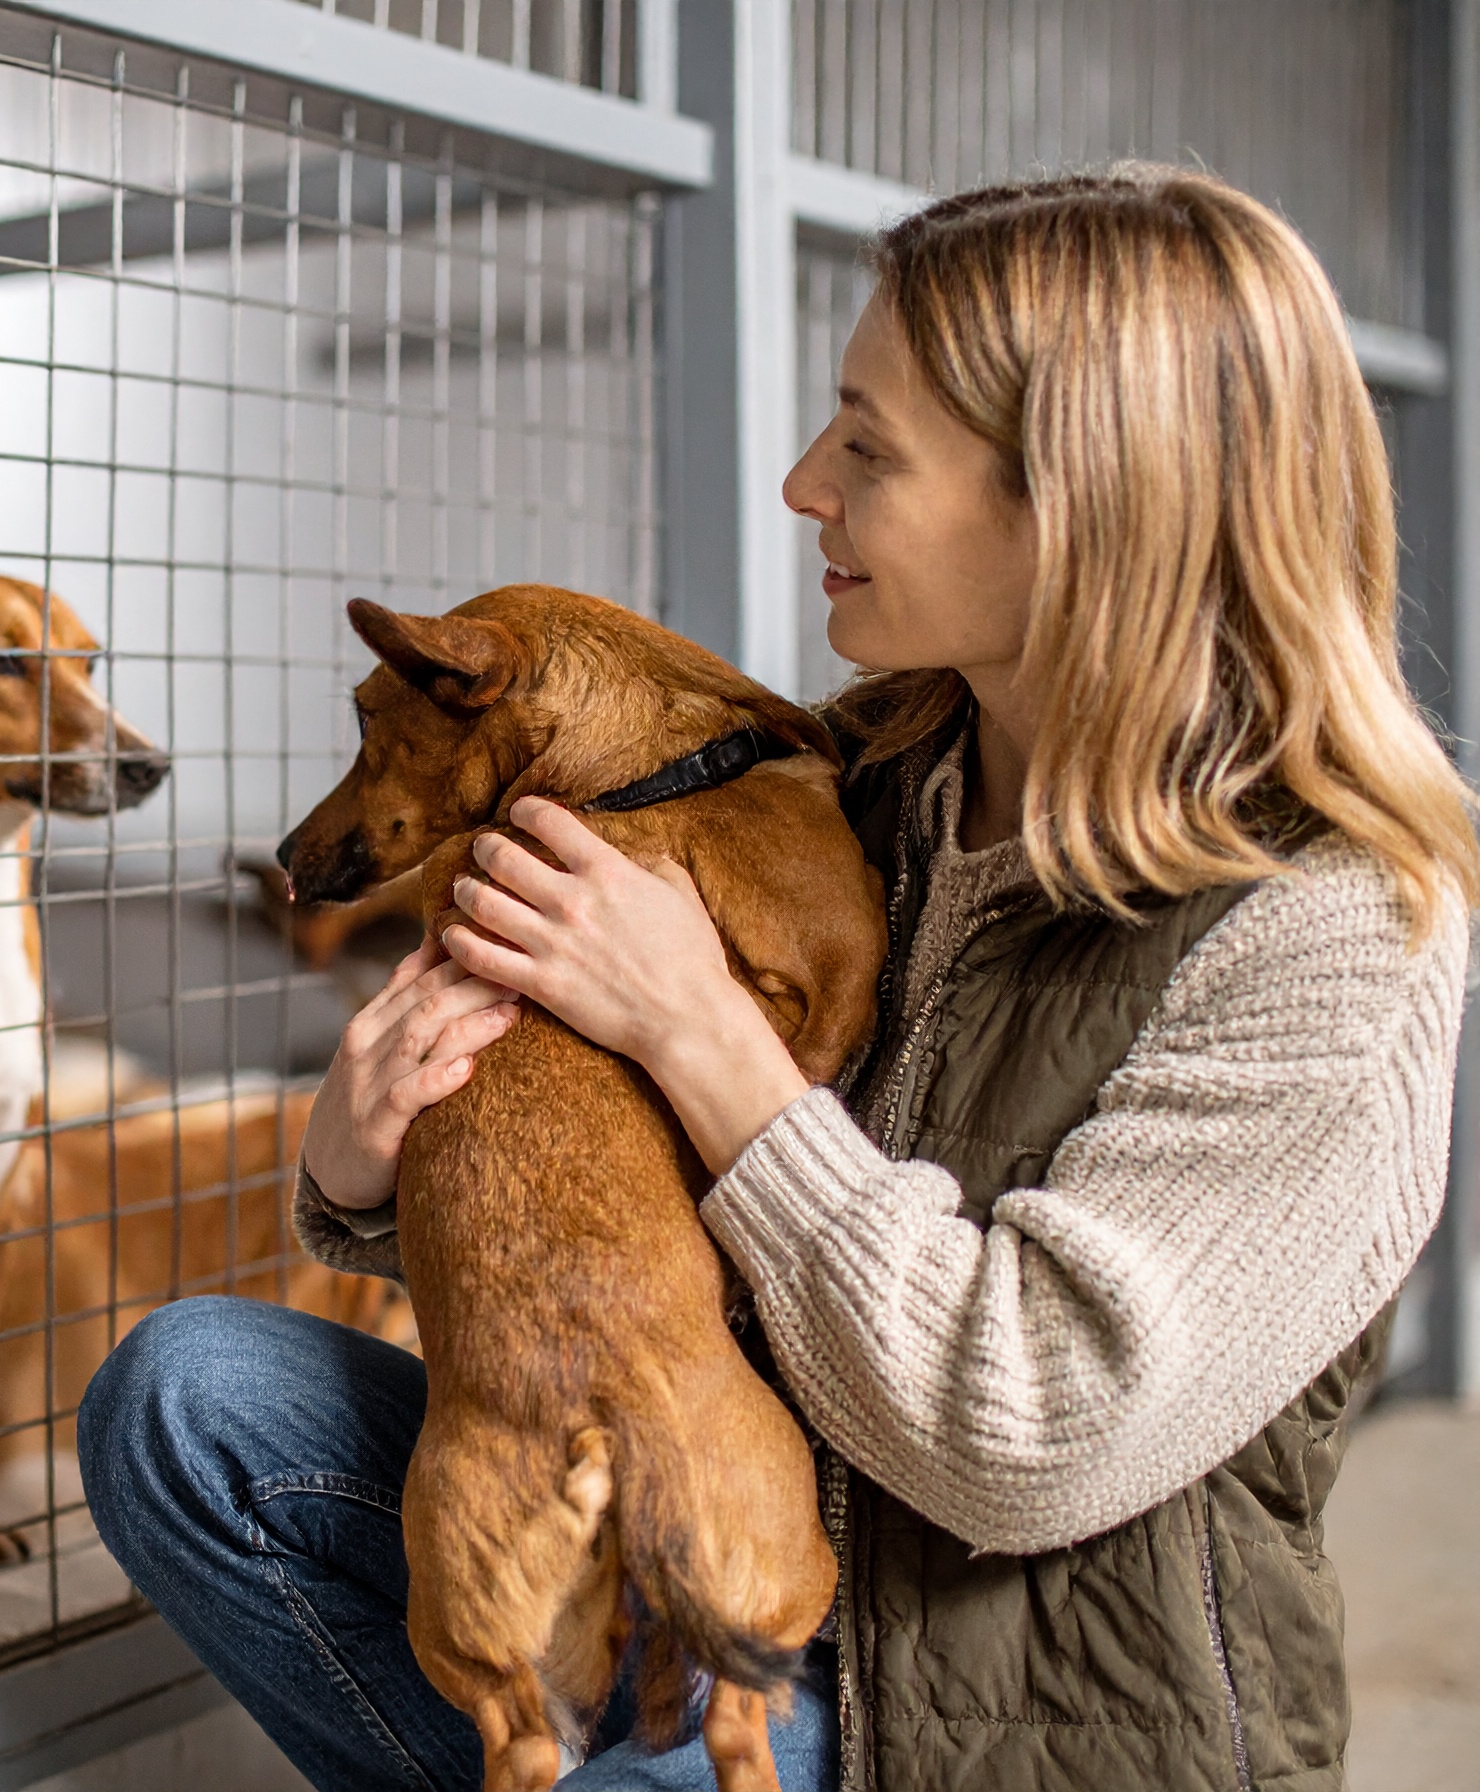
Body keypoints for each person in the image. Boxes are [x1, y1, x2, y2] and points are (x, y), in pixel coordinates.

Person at [78, 167, 1477, 1792]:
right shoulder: (843, 782)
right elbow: (626, 1223)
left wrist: (698, 1029)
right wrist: (366, 1170)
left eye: (869, 448)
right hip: (717, 1519)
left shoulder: (1334, 922)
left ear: (1089, 501)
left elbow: (1026, 1439)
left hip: (992, 1730)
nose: (807, 482)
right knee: (189, 1401)